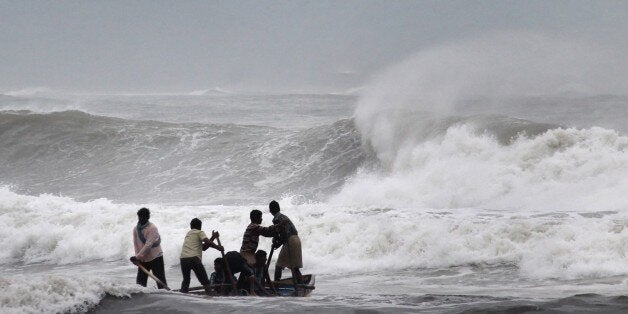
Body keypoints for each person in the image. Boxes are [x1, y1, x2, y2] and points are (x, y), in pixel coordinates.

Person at [179, 218, 223, 294]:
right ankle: (210, 298)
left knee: (186, 280)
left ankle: (183, 297)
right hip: (194, 258)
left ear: (191, 226)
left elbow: (204, 248)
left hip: (183, 259)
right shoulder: (199, 232)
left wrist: (213, 237)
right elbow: (207, 242)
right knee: (205, 281)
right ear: (200, 226)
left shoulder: (189, 234)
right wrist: (218, 247)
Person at [130, 207, 168, 289]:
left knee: (161, 282)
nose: (141, 219)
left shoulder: (152, 228)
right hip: (143, 258)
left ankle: (166, 297)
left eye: (143, 217)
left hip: (155, 257)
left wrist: (137, 256)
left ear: (148, 217)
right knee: (140, 284)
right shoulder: (136, 229)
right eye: (139, 217)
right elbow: (136, 244)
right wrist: (138, 258)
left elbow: (148, 245)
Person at [269, 200, 303, 283]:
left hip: (290, 240)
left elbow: (283, 234)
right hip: (296, 239)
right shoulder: (284, 216)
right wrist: (278, 242)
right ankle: (301, 283)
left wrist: (277, 243)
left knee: (279, 266)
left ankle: (276, 285)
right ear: (279, 208)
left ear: (270, 210)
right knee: (294, 267)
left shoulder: (276, 219)